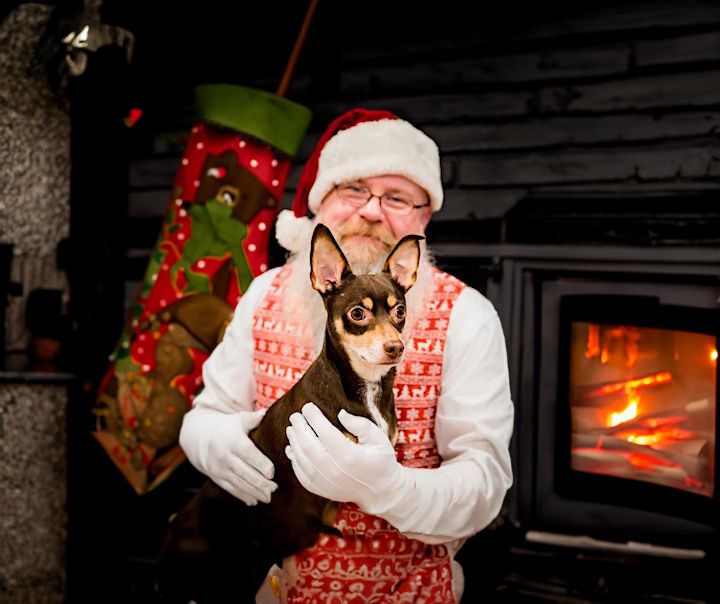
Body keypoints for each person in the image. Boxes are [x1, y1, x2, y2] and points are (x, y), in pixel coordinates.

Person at [178, 108, 515, 602]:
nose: (373, 211)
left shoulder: (468, 315)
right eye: (353, 188)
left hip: (406, 590)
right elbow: (205, 415)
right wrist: (215, 441)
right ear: (321, 202)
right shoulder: (265, 294)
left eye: (397, 197)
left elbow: (486, 480)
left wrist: (395, 490)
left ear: (423, 219)